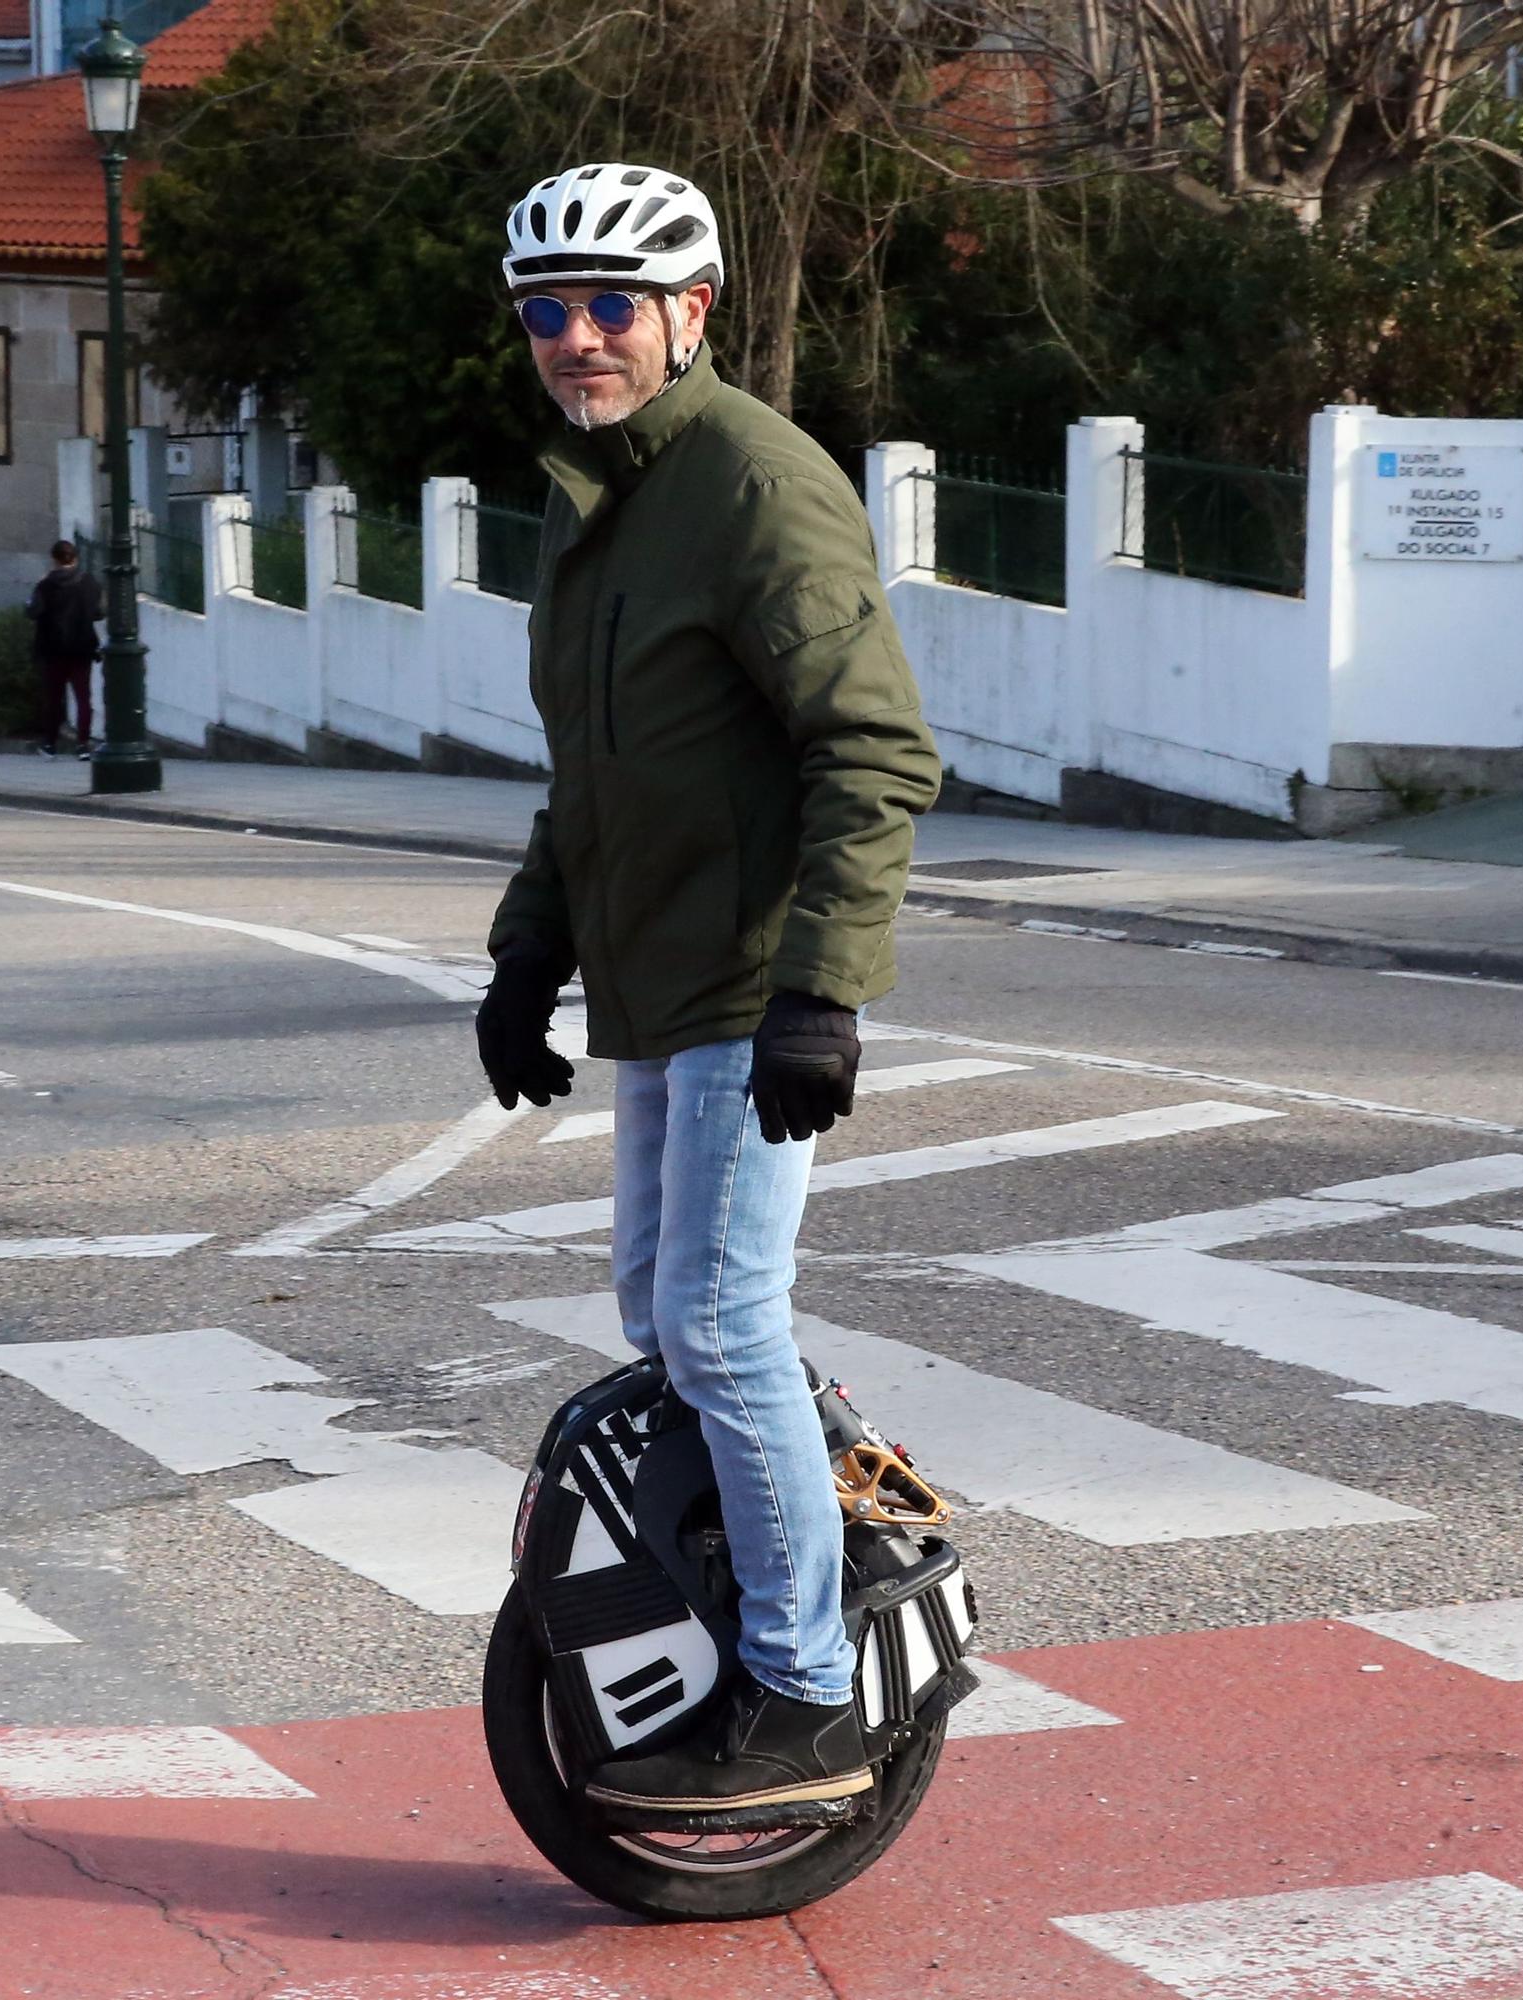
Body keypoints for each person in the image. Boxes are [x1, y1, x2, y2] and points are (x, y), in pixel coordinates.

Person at [476, 163, 942, 1821]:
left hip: (750, 980)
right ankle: (806, 1517)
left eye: (613, 307)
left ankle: (809, 1688)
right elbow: (592, 772)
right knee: (656, 1311)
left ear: (693, 314)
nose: (578, 339)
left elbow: (873, 749)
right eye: (548, 311)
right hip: (659, 985)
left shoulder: (754, 483)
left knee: (722, 1319)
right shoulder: (591, 496)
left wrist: (823, 994)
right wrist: (529, 948)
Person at [25, 539, 103, 759]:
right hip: (81, 648)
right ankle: (83, 744)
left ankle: (50, 744)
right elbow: (98, 612)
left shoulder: (45, 585)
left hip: (52, 649)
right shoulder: (88, 582)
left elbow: (33, 612)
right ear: (75, 558)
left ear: (54, 560)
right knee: (83, 698)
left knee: (53, 697)